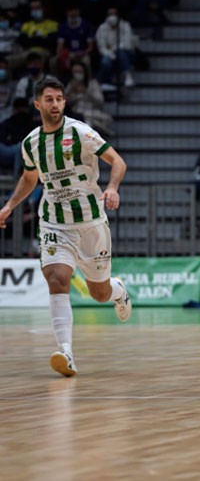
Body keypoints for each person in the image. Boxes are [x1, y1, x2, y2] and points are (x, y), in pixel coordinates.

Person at [0, 77, 132, 377]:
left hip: (90, 221)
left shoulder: (81, 132)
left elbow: (118, 161)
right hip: (54, 223)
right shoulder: (31, 142)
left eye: (60, 98)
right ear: (38, 104)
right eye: (49, 99)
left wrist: (112, 188)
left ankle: (118, 291)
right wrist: (9, 205)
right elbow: (30, 178)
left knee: (98, 293)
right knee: (57, 279)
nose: (56, 104)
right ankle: (67, 352)